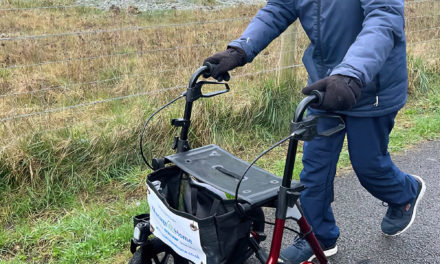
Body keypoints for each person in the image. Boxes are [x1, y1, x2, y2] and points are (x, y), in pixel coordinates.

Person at [203, 0, 426, 263]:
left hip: (371, 87)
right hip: (325, 85)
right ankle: (318, 236)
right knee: (314, 167)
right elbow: (278, 8)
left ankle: (406, 194)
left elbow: (383, 18)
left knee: (369, 165)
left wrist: (351, 73)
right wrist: (240, 49)